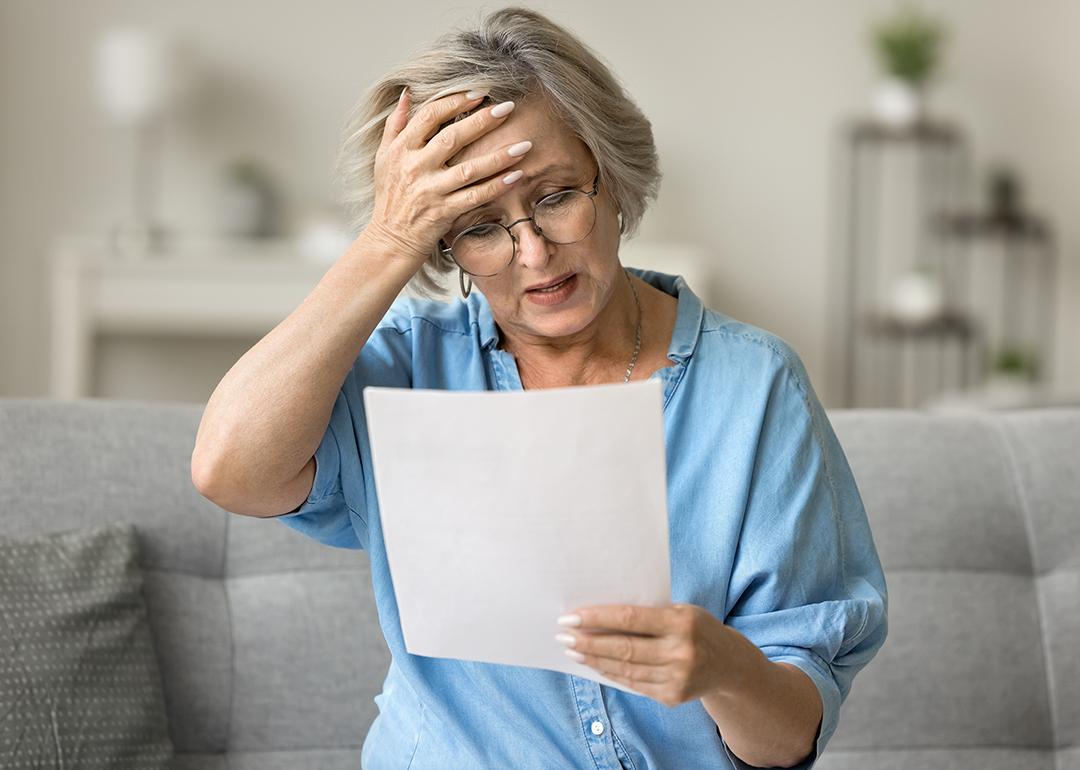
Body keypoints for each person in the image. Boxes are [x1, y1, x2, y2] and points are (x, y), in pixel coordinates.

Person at [191, 7, 888, 769]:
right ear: (443, 242)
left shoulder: (754, 389)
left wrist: (724, 666)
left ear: (612, 179)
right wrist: (388, 240)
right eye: (479, 227)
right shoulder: (404, 373)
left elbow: (787, 739)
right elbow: (229, 469)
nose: (532, 252)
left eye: (556, 197)